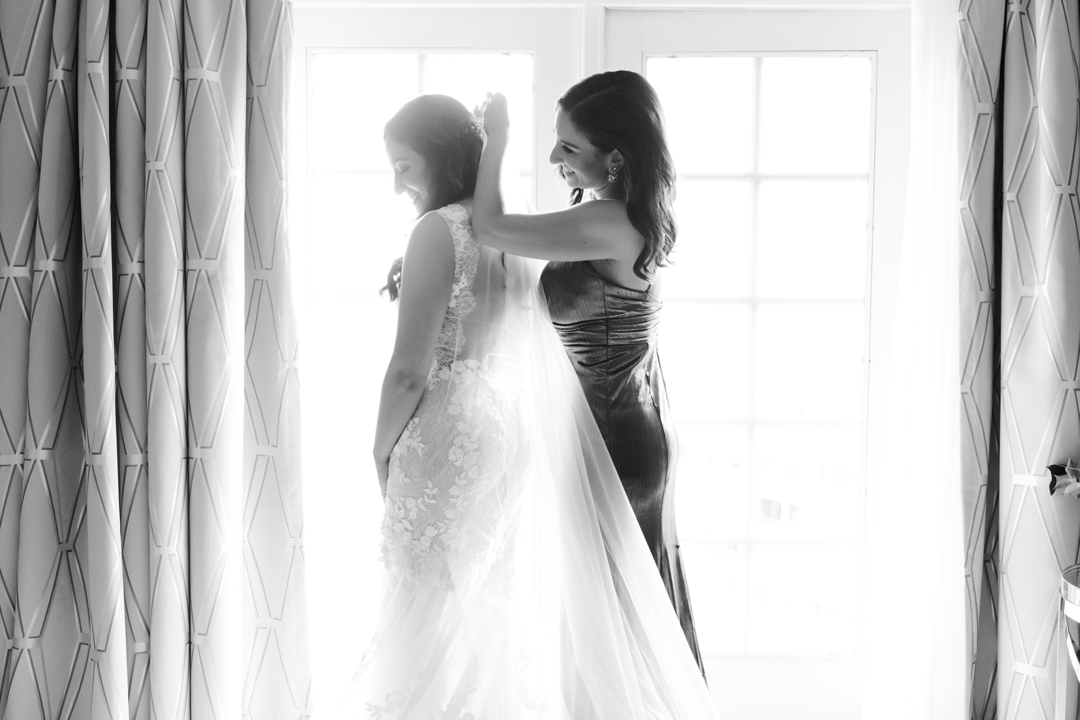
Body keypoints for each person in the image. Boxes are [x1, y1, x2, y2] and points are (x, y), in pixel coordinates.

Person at [342, 93, 718, 718]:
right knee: (511, 606)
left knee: (444, 604)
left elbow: (410, 371)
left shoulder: (565, 223)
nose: (396, 183)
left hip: (553, 429)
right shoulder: (539, 225)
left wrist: (378, 449)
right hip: (518, 424)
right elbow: (496, 257)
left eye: (404, 166)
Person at [471, 71, 704, 673]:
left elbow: (493, 227)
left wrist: (495, 137)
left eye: (569, 148)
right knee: (622, 612)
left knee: (615, 622)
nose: (554, 157)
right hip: (629, 426)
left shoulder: (608, 222)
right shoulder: (626, 217)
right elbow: (514, 245)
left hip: (617, 437)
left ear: (617, 158)